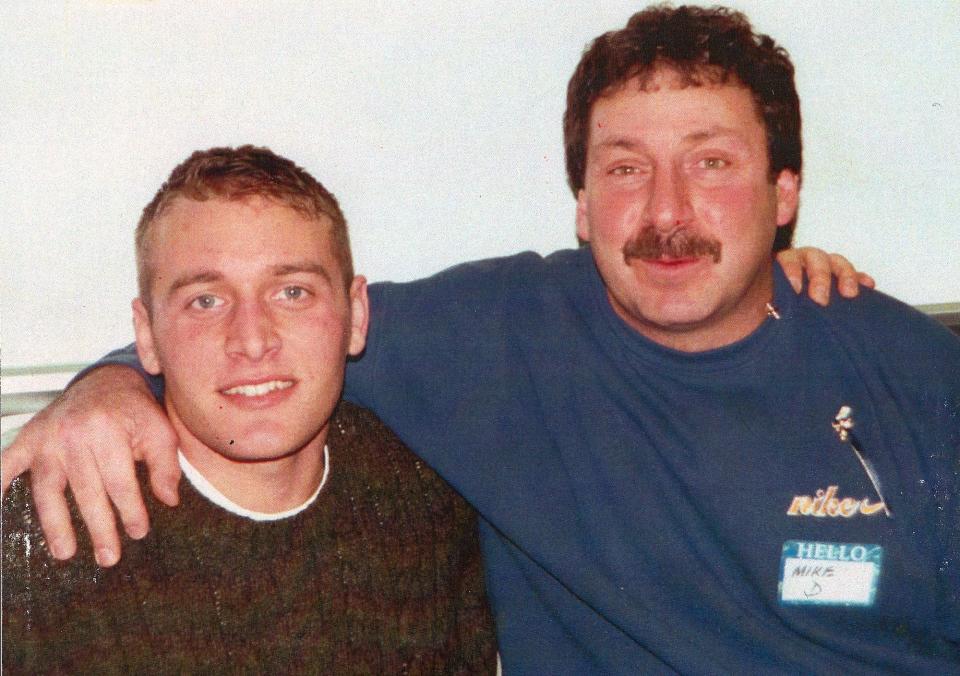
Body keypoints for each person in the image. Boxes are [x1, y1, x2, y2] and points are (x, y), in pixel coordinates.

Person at [8, 4, 952, 673]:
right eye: (626, 168)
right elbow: (247, 323)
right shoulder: (497, 337)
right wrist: (103, 388)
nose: (668, 213)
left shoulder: (914, 377)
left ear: (783, 193)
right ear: (581, 202)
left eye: (712, 164)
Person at [2, 146, 496, 673]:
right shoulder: (48, 529)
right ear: (146, 336)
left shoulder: (426, 495)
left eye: (291, 292)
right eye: (206, 301)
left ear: (355, 315)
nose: (253, 341)